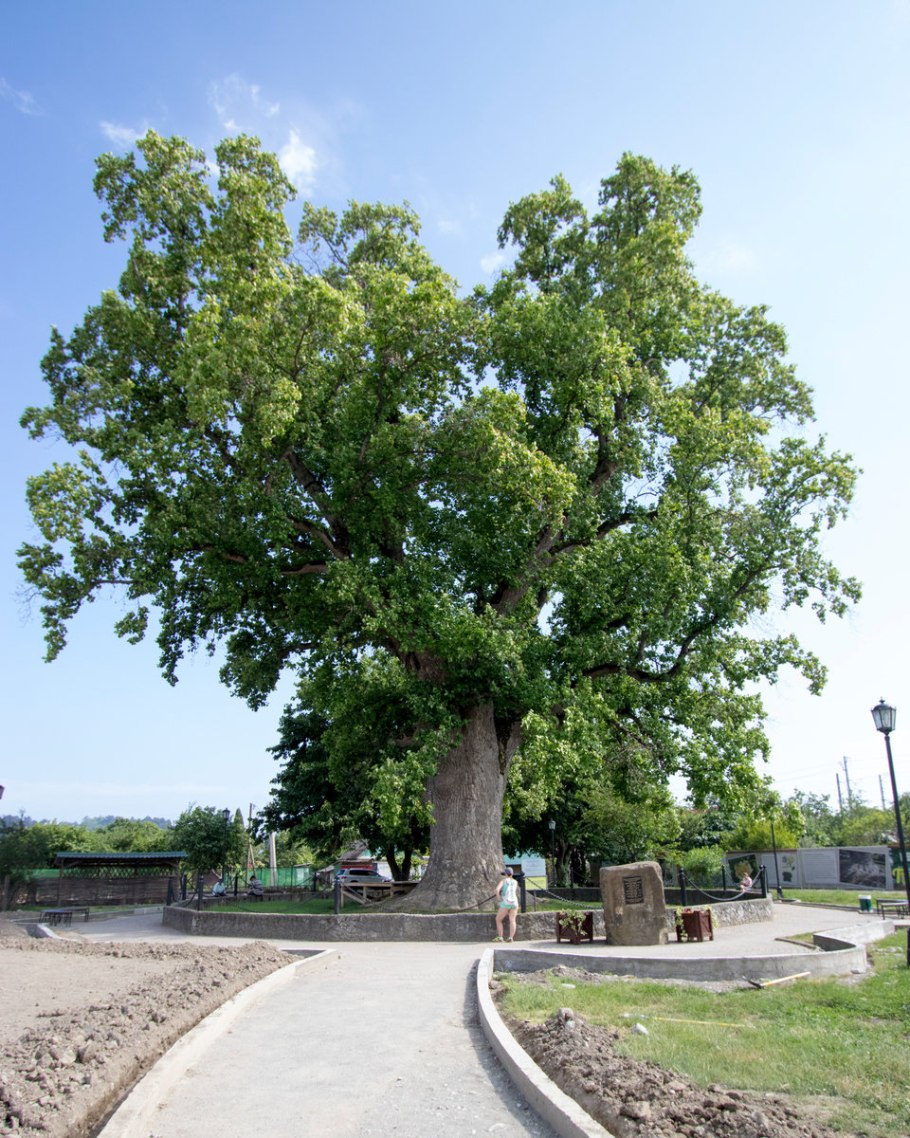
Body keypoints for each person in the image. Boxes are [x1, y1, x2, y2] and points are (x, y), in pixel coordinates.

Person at [493, 867, 519, 942]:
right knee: (512, 920)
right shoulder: (515, 882)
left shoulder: (503, 881)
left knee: (498, 919)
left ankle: (500, 937)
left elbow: (497, 889)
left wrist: (498, 898)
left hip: (505, 902)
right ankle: (511, 937)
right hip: (514, 903)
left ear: (505, 874)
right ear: (512, 874)